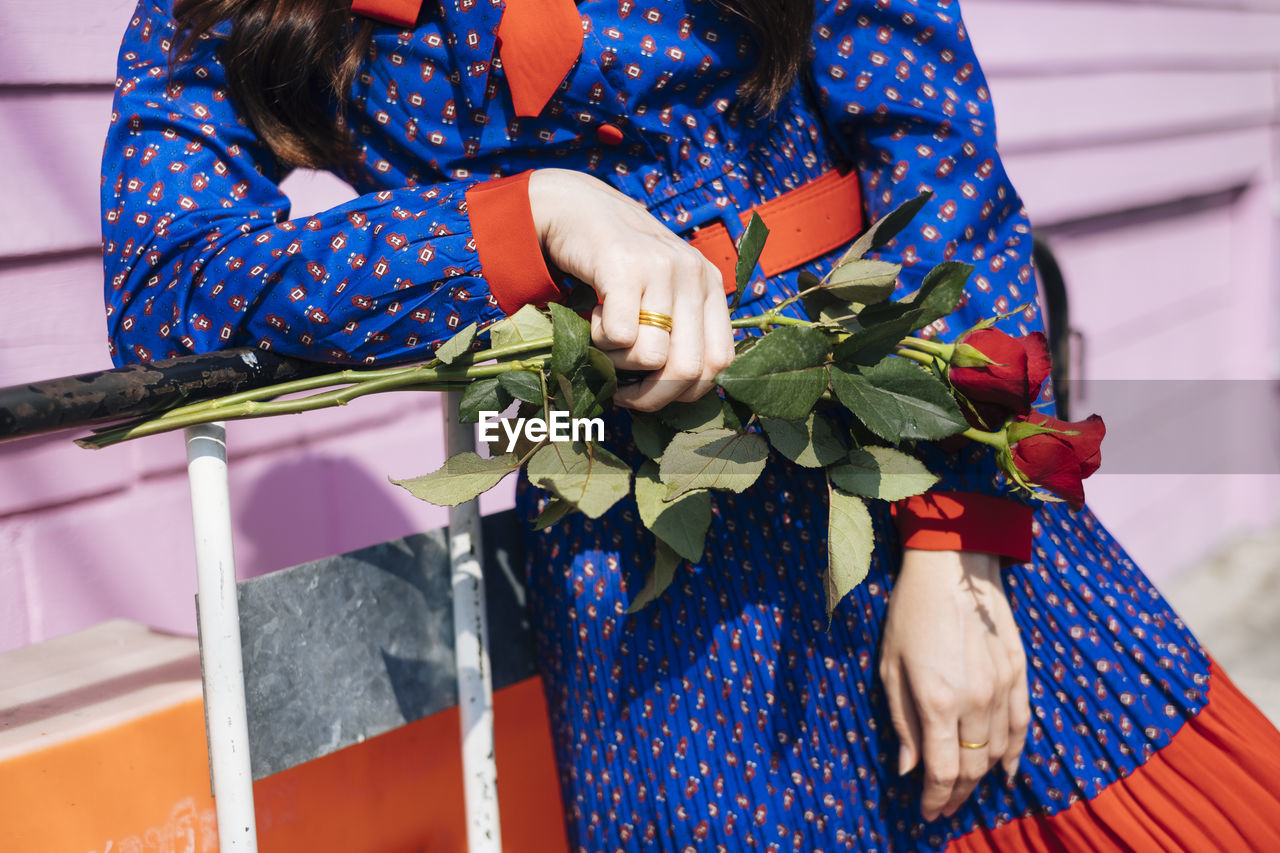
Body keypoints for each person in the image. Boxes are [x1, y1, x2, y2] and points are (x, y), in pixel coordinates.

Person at [100, 0, 1280, 848]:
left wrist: (953, 547)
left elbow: (947, 193)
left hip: (912, 478)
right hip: (637, 582)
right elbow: (167, 282)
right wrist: (533, 219)